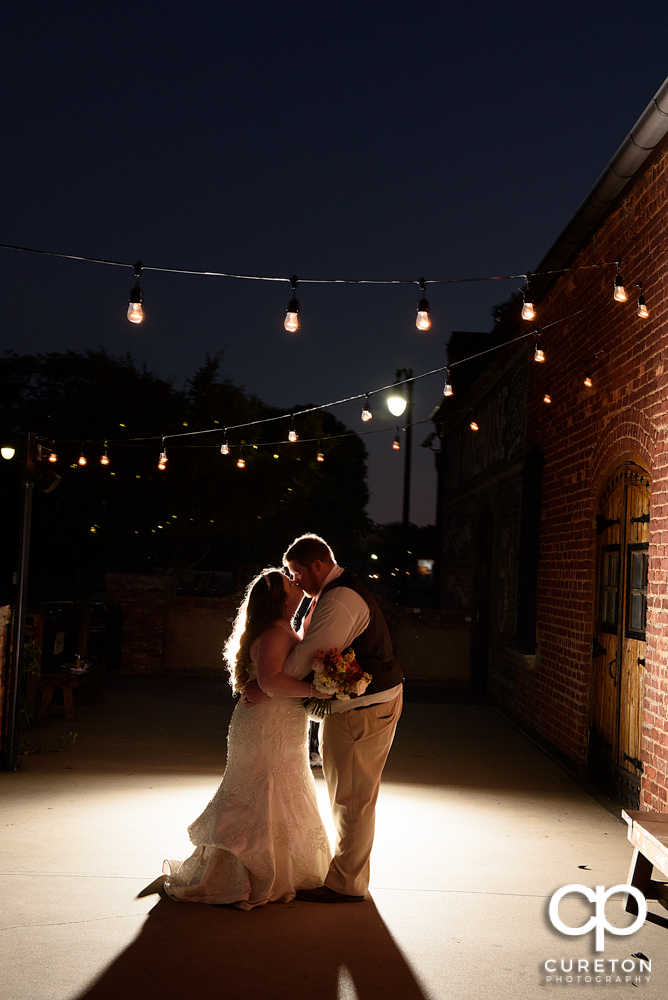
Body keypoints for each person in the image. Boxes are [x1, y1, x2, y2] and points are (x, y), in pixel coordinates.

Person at [244, 534, 403, 903]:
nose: (294, 580)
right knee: (349, 795)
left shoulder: (340, 600)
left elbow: (307, 656)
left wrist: (267, 684)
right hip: (359, 706)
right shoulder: (332, 595)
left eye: (297, 572)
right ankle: (347, 876)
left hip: (363, 710)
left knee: (352, 798)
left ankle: (346, 884)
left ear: (318, 565)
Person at [162, 568, 332, 909]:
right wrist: (317, 690)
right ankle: (252, 874)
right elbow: (270, 681)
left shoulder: (281, 629)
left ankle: (277, 868)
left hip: (275, 724)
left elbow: (274, 676)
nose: (296, 583)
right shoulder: (275, 632)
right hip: (267, 727)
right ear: (282, 599)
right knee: (263, 794)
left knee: (277, 791)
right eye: (289, 582)